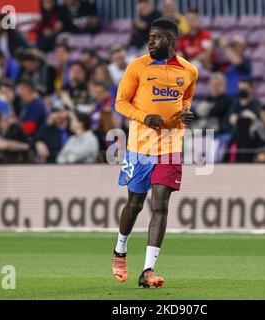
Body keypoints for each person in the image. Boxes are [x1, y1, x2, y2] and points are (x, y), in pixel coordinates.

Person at [113, 18, 197, 288]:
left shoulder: (189, 71)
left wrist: (184, 114)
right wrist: (143, 117)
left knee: (160, 205)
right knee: (135, 205)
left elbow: (185, 99)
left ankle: (148, 270)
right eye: (150, 36)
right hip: (140, 147)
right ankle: (120, 249)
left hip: (171, 145)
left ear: (171, 41)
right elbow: (120, 103)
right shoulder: (137, 66)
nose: (150, 41)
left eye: (156, 37)